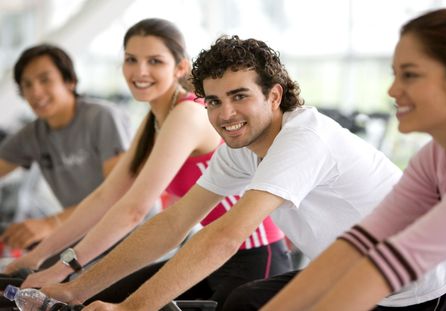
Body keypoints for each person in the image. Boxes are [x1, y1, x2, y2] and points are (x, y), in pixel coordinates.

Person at [38, 35, 403, 311]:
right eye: (213, 101)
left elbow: (225, 236)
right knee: (246, 302)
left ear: (274, 96)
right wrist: (75, 289)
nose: (225, 114)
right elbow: (175, 221)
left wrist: (131, 309)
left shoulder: (304, 138)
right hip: (346, 271)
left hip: (405, 291)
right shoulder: (241, 148)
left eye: (240, 96)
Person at [5, 19, 291, 309]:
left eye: (154, 61)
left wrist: (63, 269)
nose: (140, 71)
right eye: (131, 60)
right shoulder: (154, 120)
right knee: (91, 297)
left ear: (179, 68)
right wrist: (36, 257)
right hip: (205, 255)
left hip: (253, 258)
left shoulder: (188, 114)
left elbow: (134, 210)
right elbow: (105, 197)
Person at [261, 8, 446, 311]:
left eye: (410, 75)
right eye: (395, 74)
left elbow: (390, 264)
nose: (392, 90)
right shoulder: (433, 157)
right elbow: (359, 244)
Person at [0, 44, 130, 250]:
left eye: (45, 80)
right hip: (85, 239)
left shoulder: (102, 117)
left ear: (69, 81)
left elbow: (119, 195)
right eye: (27, 85)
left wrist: (52, 223)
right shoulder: (32, 135)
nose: (35, 92)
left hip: (131, 235)